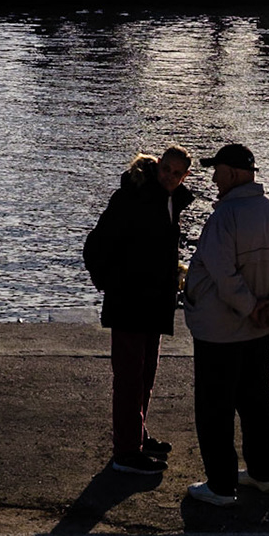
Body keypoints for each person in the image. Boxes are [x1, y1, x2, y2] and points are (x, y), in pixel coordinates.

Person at [181, 143, 269, 507]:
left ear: (234, 174)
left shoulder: (225, 217)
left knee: (215, 406)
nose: (213, 177)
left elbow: (223, 274)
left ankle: (220, 486)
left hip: (219, 331)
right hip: (258, 331)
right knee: (255, 400)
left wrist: (252, 308)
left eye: (217, 170)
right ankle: (263, 471)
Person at [83, 145, 194, 475]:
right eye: (167, 170)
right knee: (131, 377)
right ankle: (126, 450)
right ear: (158, 165)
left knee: (144, 375)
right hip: (132, 300)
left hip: (153, 300)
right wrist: (114, 284)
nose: (171, 178)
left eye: (177, 174)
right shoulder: (132, 198)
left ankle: (136, 437)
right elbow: (96, 246)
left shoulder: (168, 200)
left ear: (185, 175)